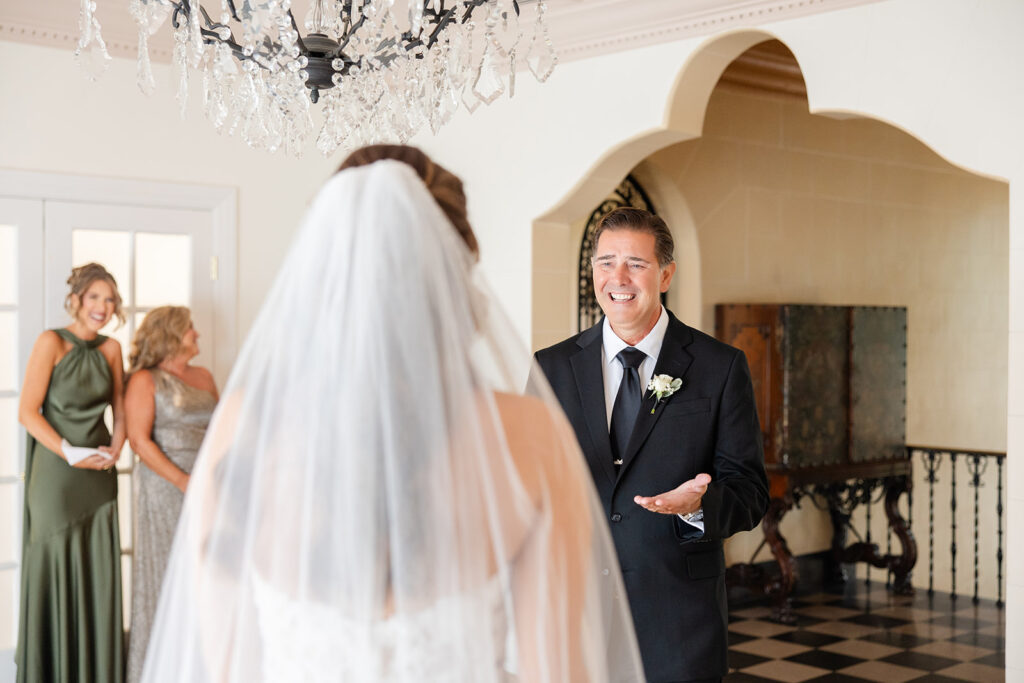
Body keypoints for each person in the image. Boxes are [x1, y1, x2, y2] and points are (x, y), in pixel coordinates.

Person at [141, 145, 644, 683]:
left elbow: (219, 663)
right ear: (456, 271)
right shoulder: (529, 435)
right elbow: (560, 673)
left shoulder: (245, 426)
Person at [534, 207, 769, 683]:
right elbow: (527, 485)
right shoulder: (551, 368)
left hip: (679, 624)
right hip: (575, 619)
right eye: (605, 262)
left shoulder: (720, 367)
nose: (617, 278)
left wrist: (698, 506)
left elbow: (750, 491)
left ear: (665, 273)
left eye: (635, 264)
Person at [16, 262, 127, 683]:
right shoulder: (51, 342)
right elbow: (27, 412)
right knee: (53, 560)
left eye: (110, 299)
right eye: (95, 297)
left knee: (94, 567)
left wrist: (117, 447)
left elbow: (119, 405)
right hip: (57, 477)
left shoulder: (111, 349)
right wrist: (69, 452)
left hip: (98, 476)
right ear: (77, 298)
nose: (103, 306)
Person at [124, 306, 218, 683]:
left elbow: (220, 426)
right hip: (165, 486)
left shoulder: (205, 376)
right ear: (171, 335)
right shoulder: (146, 380)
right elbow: (139, 441)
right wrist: (183, 481)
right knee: (167, 571)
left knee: (209, 572)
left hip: (210, 484)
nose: (197, 335)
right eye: (190, 329)